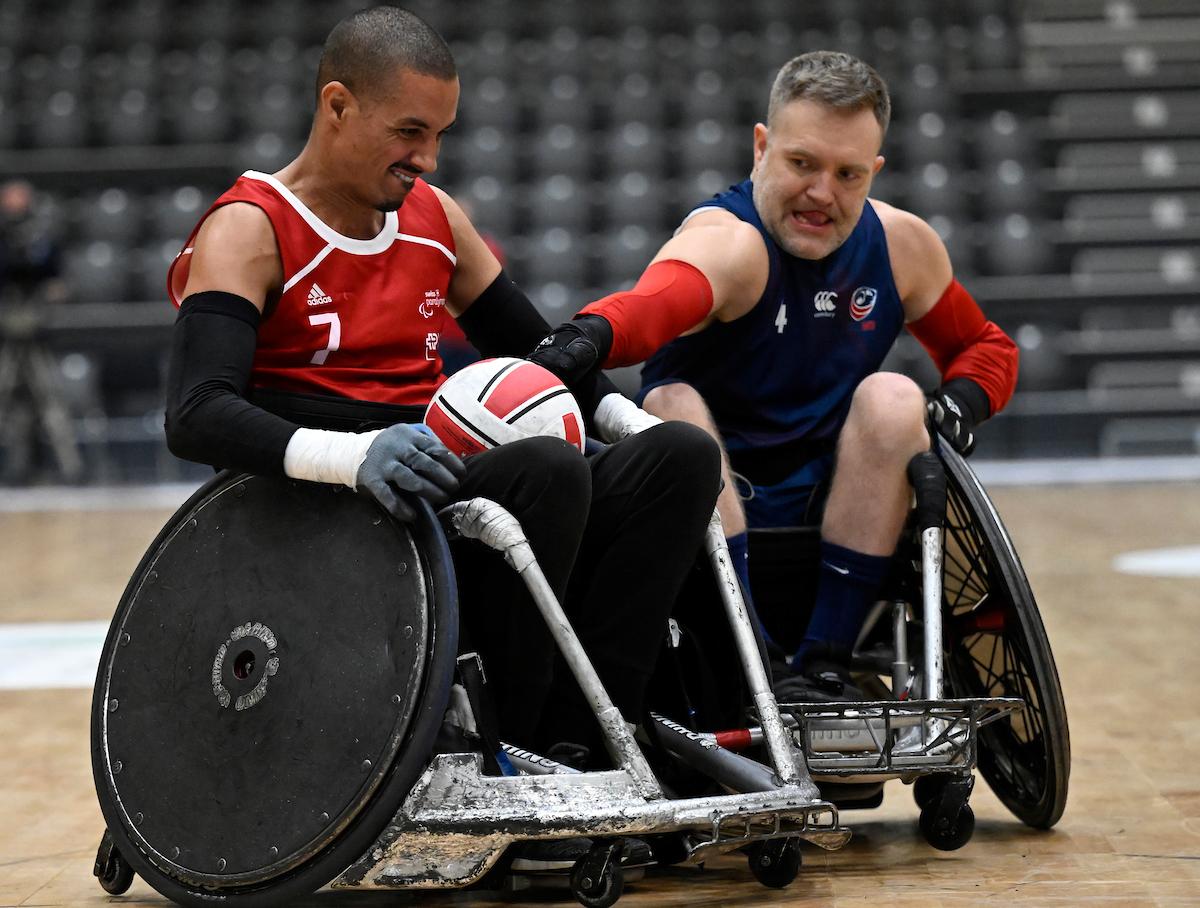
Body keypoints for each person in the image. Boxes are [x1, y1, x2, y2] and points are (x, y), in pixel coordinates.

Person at [162, 6, 720, 866]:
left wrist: (624, 419)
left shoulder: (433, 218)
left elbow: (538, 353)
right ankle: (515, 749)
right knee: (543, 473)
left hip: (444, 484)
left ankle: (591, 740)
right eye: (410, 132)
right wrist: (352, 456)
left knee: (679, 458)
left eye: (441, 135)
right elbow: (195, 412)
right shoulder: (249, 227)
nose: (427, 158)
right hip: (334, 508)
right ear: (337, 105)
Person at [529, 51, 1018, 701]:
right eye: (802, 164)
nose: (822, 193)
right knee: (673, 402)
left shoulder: (902, 245)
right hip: (704, 521)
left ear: (875, 172)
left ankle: (826, 660)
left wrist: (963, 401)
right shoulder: (729, 240)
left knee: (897, 397)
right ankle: (753, 662)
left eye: (847, 174)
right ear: (761, 147)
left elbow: (987, 345)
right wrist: (588, 335)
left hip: (837, 506)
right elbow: (655, 305)